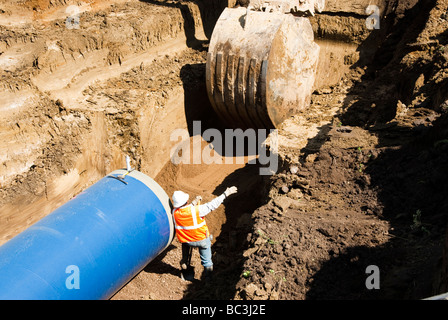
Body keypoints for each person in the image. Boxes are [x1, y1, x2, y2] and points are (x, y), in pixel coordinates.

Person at [171, 186, 238, 280]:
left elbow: (185, 210)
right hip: (201, 240)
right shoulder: (198, 210)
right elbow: (212, 205)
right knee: (207, 261)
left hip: (187, 241)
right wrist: (225, 194)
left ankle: (185, 263)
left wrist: (194, 202)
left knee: (184, 244)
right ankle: (208, 280)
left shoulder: (174, 212)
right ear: (186, 201)